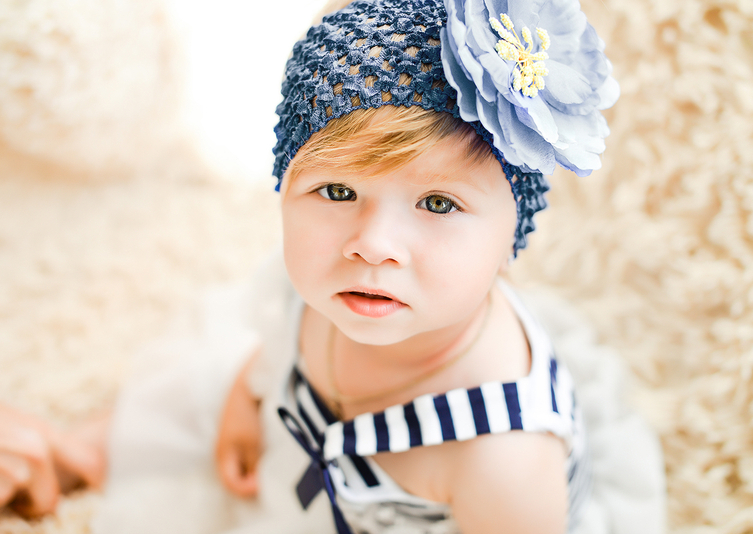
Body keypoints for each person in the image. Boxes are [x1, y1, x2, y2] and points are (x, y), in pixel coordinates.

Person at [1, 0, 666, 532]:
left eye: (438, 203)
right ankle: (77, 455)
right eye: (338, 192)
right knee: (178, 414)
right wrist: (248, 398)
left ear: (510, 237)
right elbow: (280, 342)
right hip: (310, 459)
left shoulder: (502, 458)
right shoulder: (338, 286)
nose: (371, 245)